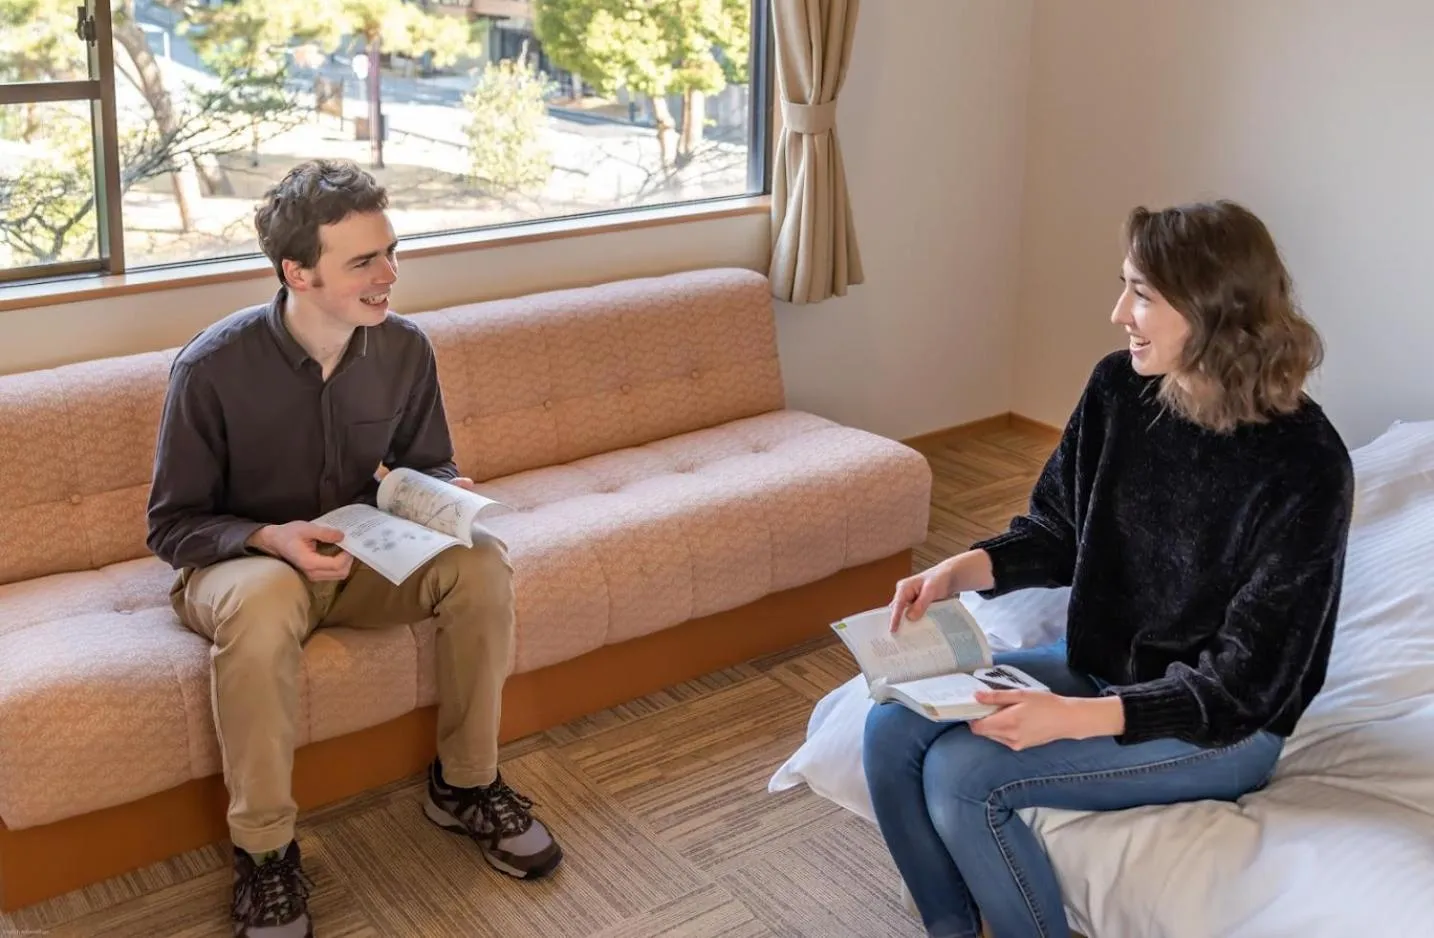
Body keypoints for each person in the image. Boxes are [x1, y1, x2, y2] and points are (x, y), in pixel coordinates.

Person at [863, 200, 1354, 938]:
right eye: (1125, 286)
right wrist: (959, 572)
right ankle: (952, 926)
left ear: (1213, 310)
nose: (1119, 312)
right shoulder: (1119, 388)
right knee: (890, 724)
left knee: (962, 779)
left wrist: (1076, 719)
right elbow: (1060, 529)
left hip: (1217, 727)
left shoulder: (1306, 465)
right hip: (1099, 663)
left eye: (1142, 295)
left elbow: (1245, 684)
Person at [147, 159, 562, 938]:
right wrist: (270, 537)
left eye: (392, 252)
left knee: (481, 560)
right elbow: (171, 525)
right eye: (365, 261)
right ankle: (265, 854)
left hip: (357, 553)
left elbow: (424, 461)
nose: (390, 275)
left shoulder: (404, 348)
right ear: (297, 273)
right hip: (243, 568)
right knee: (268, 598)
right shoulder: (212, 368)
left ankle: (465, 786)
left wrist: (438, 492)